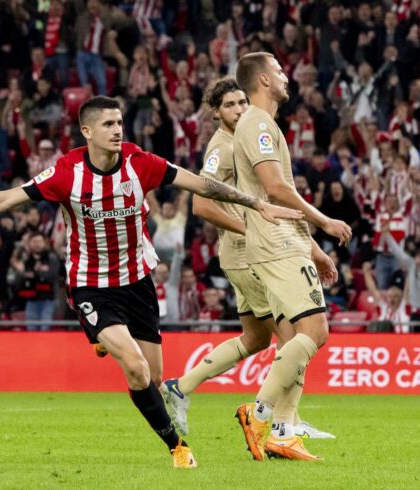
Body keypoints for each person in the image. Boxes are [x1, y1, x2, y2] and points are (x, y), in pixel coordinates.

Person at [0, 95, 303, 469]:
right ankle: (178, 448)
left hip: (137, 280)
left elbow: (201, 184)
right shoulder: (66, 173)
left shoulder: (139, 162)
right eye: (108, 123)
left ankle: (102, 339)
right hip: (91, 283)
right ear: (87, 132)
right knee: (134, 369)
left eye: (120, 122)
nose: (117, 129)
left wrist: (257, 203)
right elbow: (4, 198)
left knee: (154, 376)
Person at [159, 78, 335, 441]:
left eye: (242, 102)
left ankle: (179, 387)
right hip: (248, 255)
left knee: (255, 339)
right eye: (230, 105)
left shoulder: (247, 139)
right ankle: (285, 422)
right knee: (296, 336)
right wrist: (248, 227)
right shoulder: (222, 148)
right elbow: (202, 204)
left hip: (250, 253)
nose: (240, 109)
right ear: (216, 113)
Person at [231, 52, 352, 461]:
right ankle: (259, 413)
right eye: (280, 72)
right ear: (263, 80)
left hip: (281, 243)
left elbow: (276, 194)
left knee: (291, 338)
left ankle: (282, 431)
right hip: (276, 244)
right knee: (314, 333)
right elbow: (275, 187)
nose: (287, 78)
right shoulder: (258, 123)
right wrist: (324, 222)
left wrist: (313, 249)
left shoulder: (262, 124)